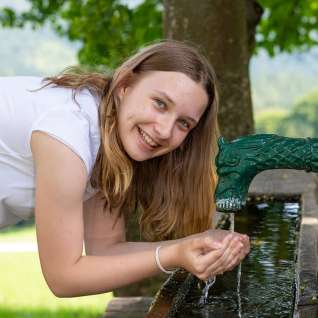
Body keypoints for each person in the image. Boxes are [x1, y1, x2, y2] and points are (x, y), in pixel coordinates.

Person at [0, 39, 250, 297]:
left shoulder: (106, 139)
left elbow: (107, 251)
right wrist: (174, 254)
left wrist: (191, 245)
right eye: (160, 104)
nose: (165, 130)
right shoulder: (67, 135)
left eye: (184, 123)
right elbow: (63, 277)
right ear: (125, 86)